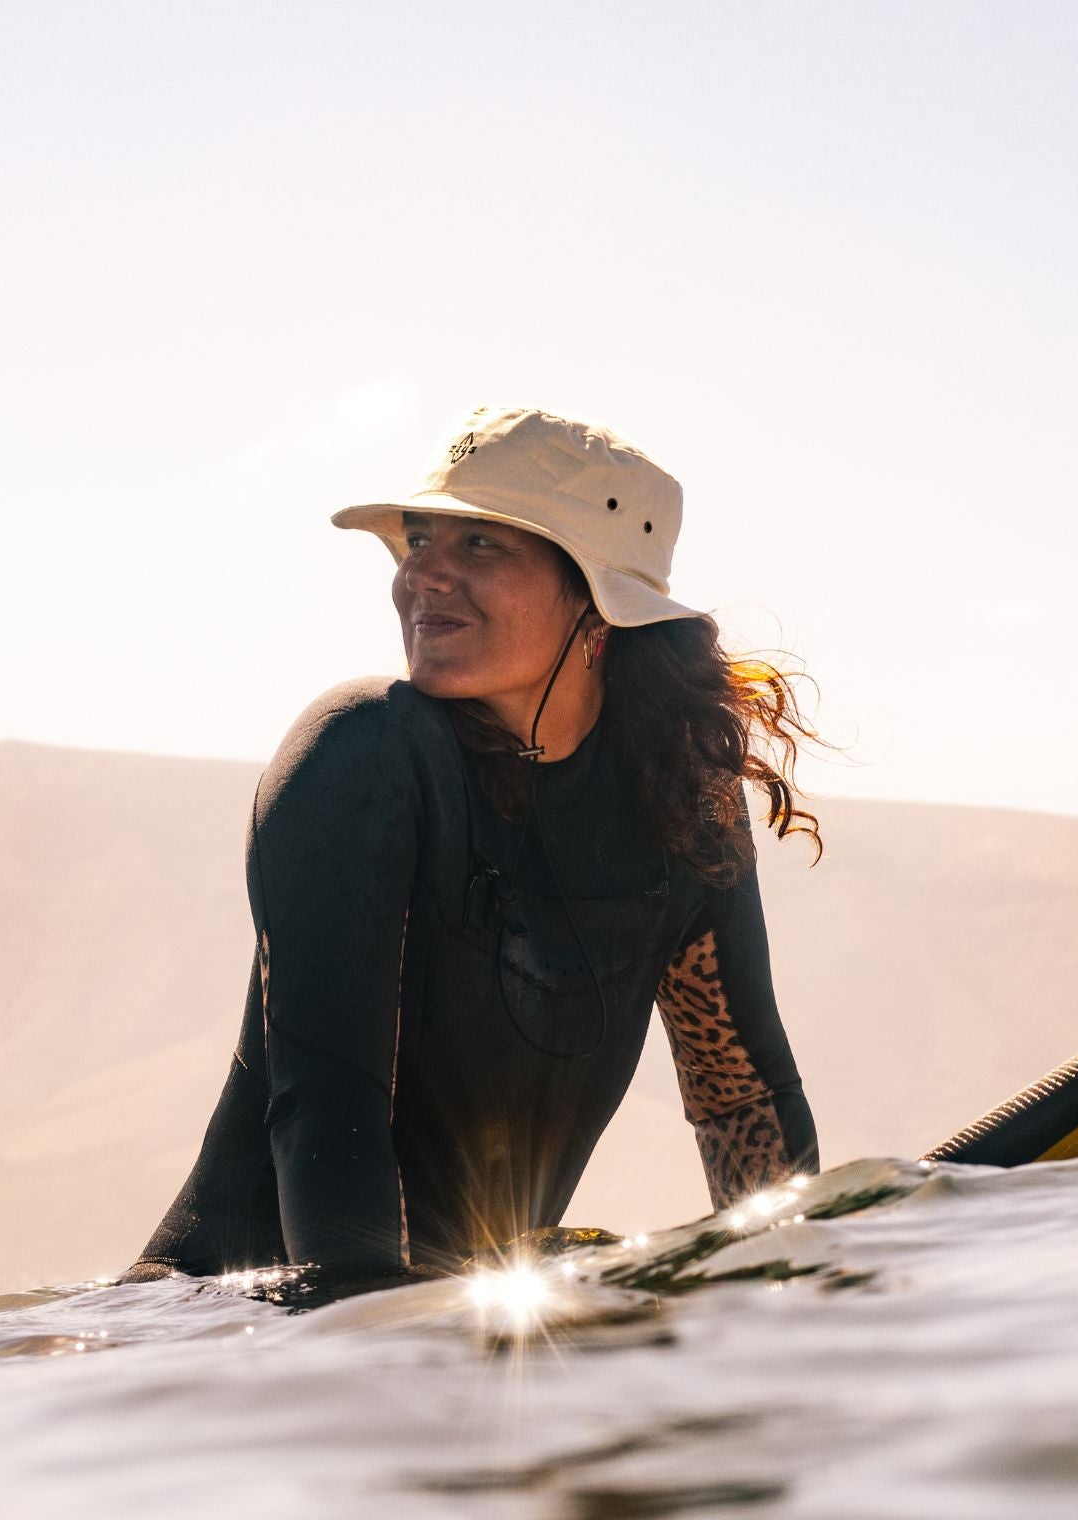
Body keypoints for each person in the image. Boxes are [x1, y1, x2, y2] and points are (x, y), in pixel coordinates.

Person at [122, 406, 822, 1289]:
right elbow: (326, 1104)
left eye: (482, 546)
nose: (423, 577)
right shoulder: (366, 752)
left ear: (600, 603)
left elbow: (740, 1100)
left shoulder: (680, 808)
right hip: (234, 1337)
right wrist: (374, 1356)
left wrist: (799, 1316)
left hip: (468, 1329)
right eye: (419, 541)